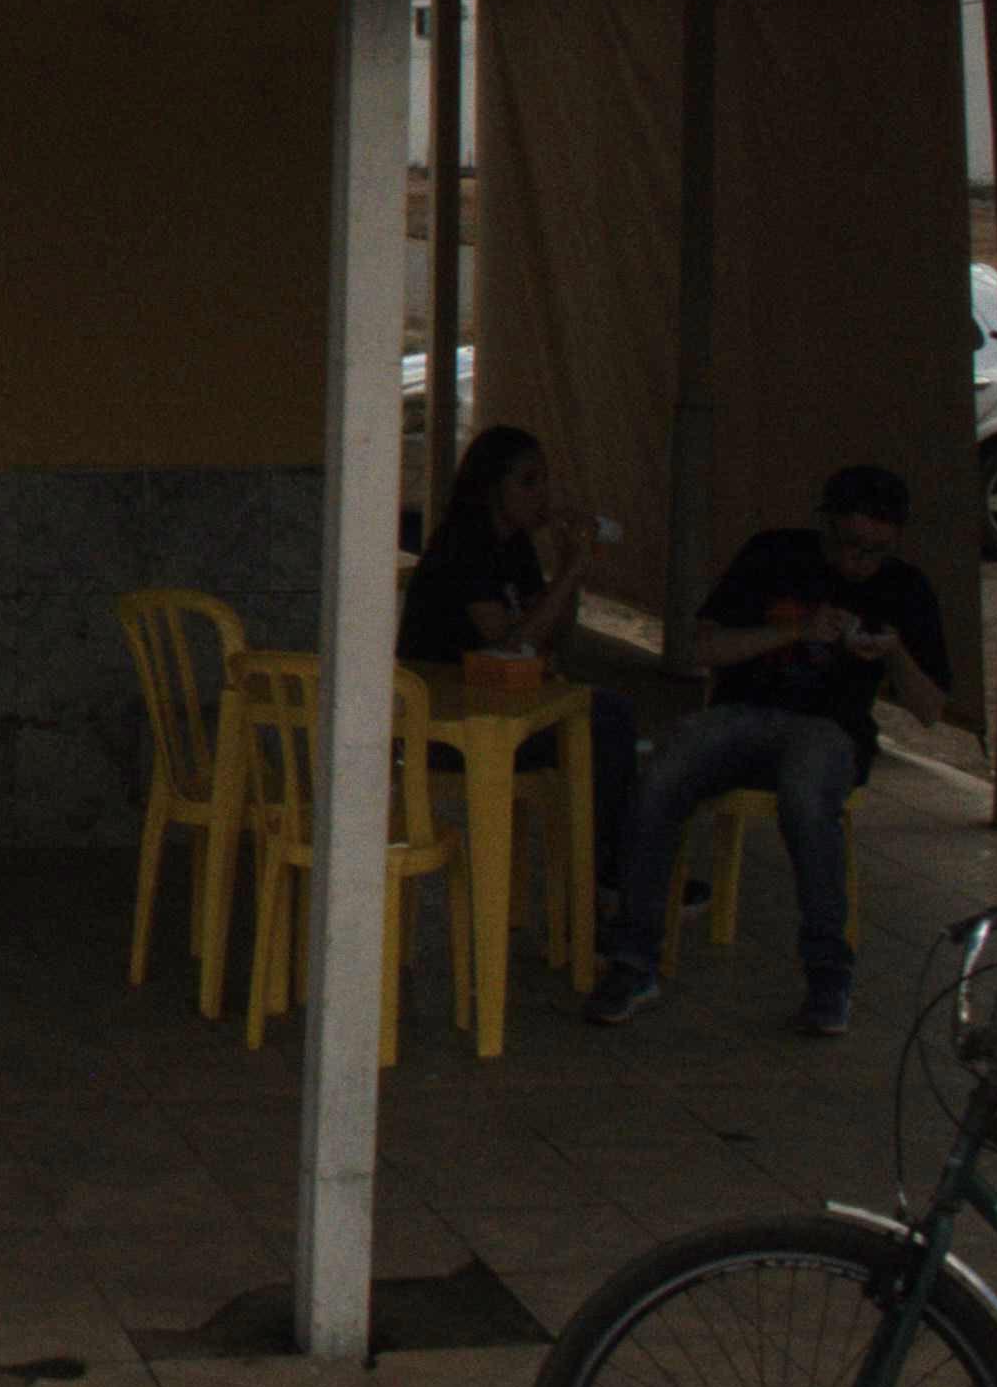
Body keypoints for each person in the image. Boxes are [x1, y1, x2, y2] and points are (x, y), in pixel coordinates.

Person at [585, 463, 952, 1038]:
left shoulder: (904, 588)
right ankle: (633, 960)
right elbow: (703, 648)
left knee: (808, 797)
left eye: (875, 550)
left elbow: (931, 709)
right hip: (741, 713)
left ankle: (829, 976)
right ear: (826, 524)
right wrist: (796, 631)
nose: (858, 560)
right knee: (661, 775)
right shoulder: (774, 555)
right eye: (848, 543)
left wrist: (894, 654)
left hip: (829, 729)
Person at [400, 425, 655, 903]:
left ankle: (614, 866)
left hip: (501, 705)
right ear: (492, 486)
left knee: (608, 715)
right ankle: (611, 872)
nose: (543, 495)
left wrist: (569, 574)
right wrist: (570, 572)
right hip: (450, 724)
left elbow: (552, 635)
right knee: (603, 726)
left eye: (545, 481)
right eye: (528, 481)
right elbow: (509, 643)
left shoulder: (514, 546)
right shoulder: (463, 545)